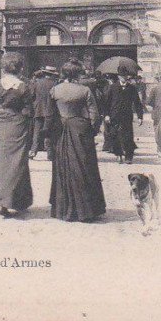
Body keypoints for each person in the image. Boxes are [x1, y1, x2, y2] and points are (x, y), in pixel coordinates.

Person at [49, 61, 106, 222]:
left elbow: (50, 114)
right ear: (77, 74)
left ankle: (63, 209)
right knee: (84, 166)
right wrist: (92, 131)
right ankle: (86, 210)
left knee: (63, 167)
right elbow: (94, 115)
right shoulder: (85, 90)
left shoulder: (55, 90)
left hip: (61, 130)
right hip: (80, 130)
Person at [0, 52, 33, 218]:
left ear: (4, 68)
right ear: (20, 68)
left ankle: (2, 203)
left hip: (4, 126)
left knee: (2, 163)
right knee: (18, 163)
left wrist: (2, 112)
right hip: (19, 126)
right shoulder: (24, 87)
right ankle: (18, 201)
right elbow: (28, 110)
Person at [105, 73, 144, 164]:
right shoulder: (112, 87)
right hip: (114, 115)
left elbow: (137, 103)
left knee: (128, 136)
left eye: (125, 76)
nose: (124, 77)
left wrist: (140, 116)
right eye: (122, 76)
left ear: (127, 77)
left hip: (127, 116)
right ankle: (118, 154)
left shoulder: (132, 88)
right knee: (115, 135)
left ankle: (128, 156)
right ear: (118, 76)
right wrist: (106, 115)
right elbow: (107, 103)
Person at [29, 65, 59, 160]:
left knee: (36, 132)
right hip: (51, 111)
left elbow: (31, 95)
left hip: (38, 110)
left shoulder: (37, 83)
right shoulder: (55, 84)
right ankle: (50, 153)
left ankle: (33, 151)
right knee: (49, 132)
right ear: (52, 74)